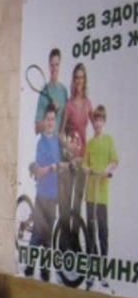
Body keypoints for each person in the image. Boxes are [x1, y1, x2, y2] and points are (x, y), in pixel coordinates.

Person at [83, 105, 118, 290]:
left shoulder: (108, 140)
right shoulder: (89, 143)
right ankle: (90, 271)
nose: (97, 123)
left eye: (100, 120)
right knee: (91, 233)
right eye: (95, 120)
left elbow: (115, 161)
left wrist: (107, 170)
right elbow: (84, 164)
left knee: (103, 232)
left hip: (102, 196)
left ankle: (103, 272)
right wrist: (87, 169)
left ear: (104, 122)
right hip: (90, 194)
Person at [57, 62, 91, 252]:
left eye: (82, 77)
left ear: (85, 80)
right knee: (66, 202)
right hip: (69, 160)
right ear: (73, 80)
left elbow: (96, 126)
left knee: (77, 204)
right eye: (76, 77)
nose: (79, 81)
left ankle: (75, 240)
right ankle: (63, 241)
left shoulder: (88, 104)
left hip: (82, 161)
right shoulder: (68, 106)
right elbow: (60, 134)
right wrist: (68, 149)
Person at [25, 104, 61, 282]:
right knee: (38, 233)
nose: (50, 122)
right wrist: (50, 168)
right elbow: (39, 171)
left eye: (53, 119)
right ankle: (30, 267)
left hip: (53, 195)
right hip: (42, 194)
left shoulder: (56, 142)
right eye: (48, 119)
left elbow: (59, 165)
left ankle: (45, 270)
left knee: (48, 235)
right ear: (44, 121)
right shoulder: (41, 143)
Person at [34, 48, 68, 137]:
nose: (54, 68)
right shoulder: (44, 93)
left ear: (60, 66)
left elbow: (66, 123)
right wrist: (50, 115)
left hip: (59, 144)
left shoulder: (64, 91)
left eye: (57, 65)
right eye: (52, 65)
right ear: (49, 67)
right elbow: (36, 129)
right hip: (46, 144)